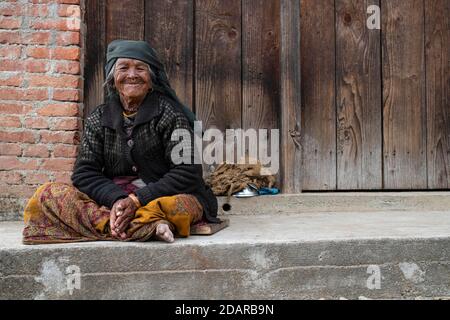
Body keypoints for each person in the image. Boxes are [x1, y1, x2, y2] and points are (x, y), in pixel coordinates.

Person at [22, 39, 219, 244]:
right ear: (112, 78)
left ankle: (117, 224)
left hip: (161, 197)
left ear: (151, 79)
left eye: (140, 68)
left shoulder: (170, 114)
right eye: (123, 68)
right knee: (48, 194)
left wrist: (137, 199)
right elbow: (84, 173)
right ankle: (145, 226)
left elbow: (188, 172)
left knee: (177, 205)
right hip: (114, 201)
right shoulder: (99, 118)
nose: (132, 75)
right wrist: (116, 199)